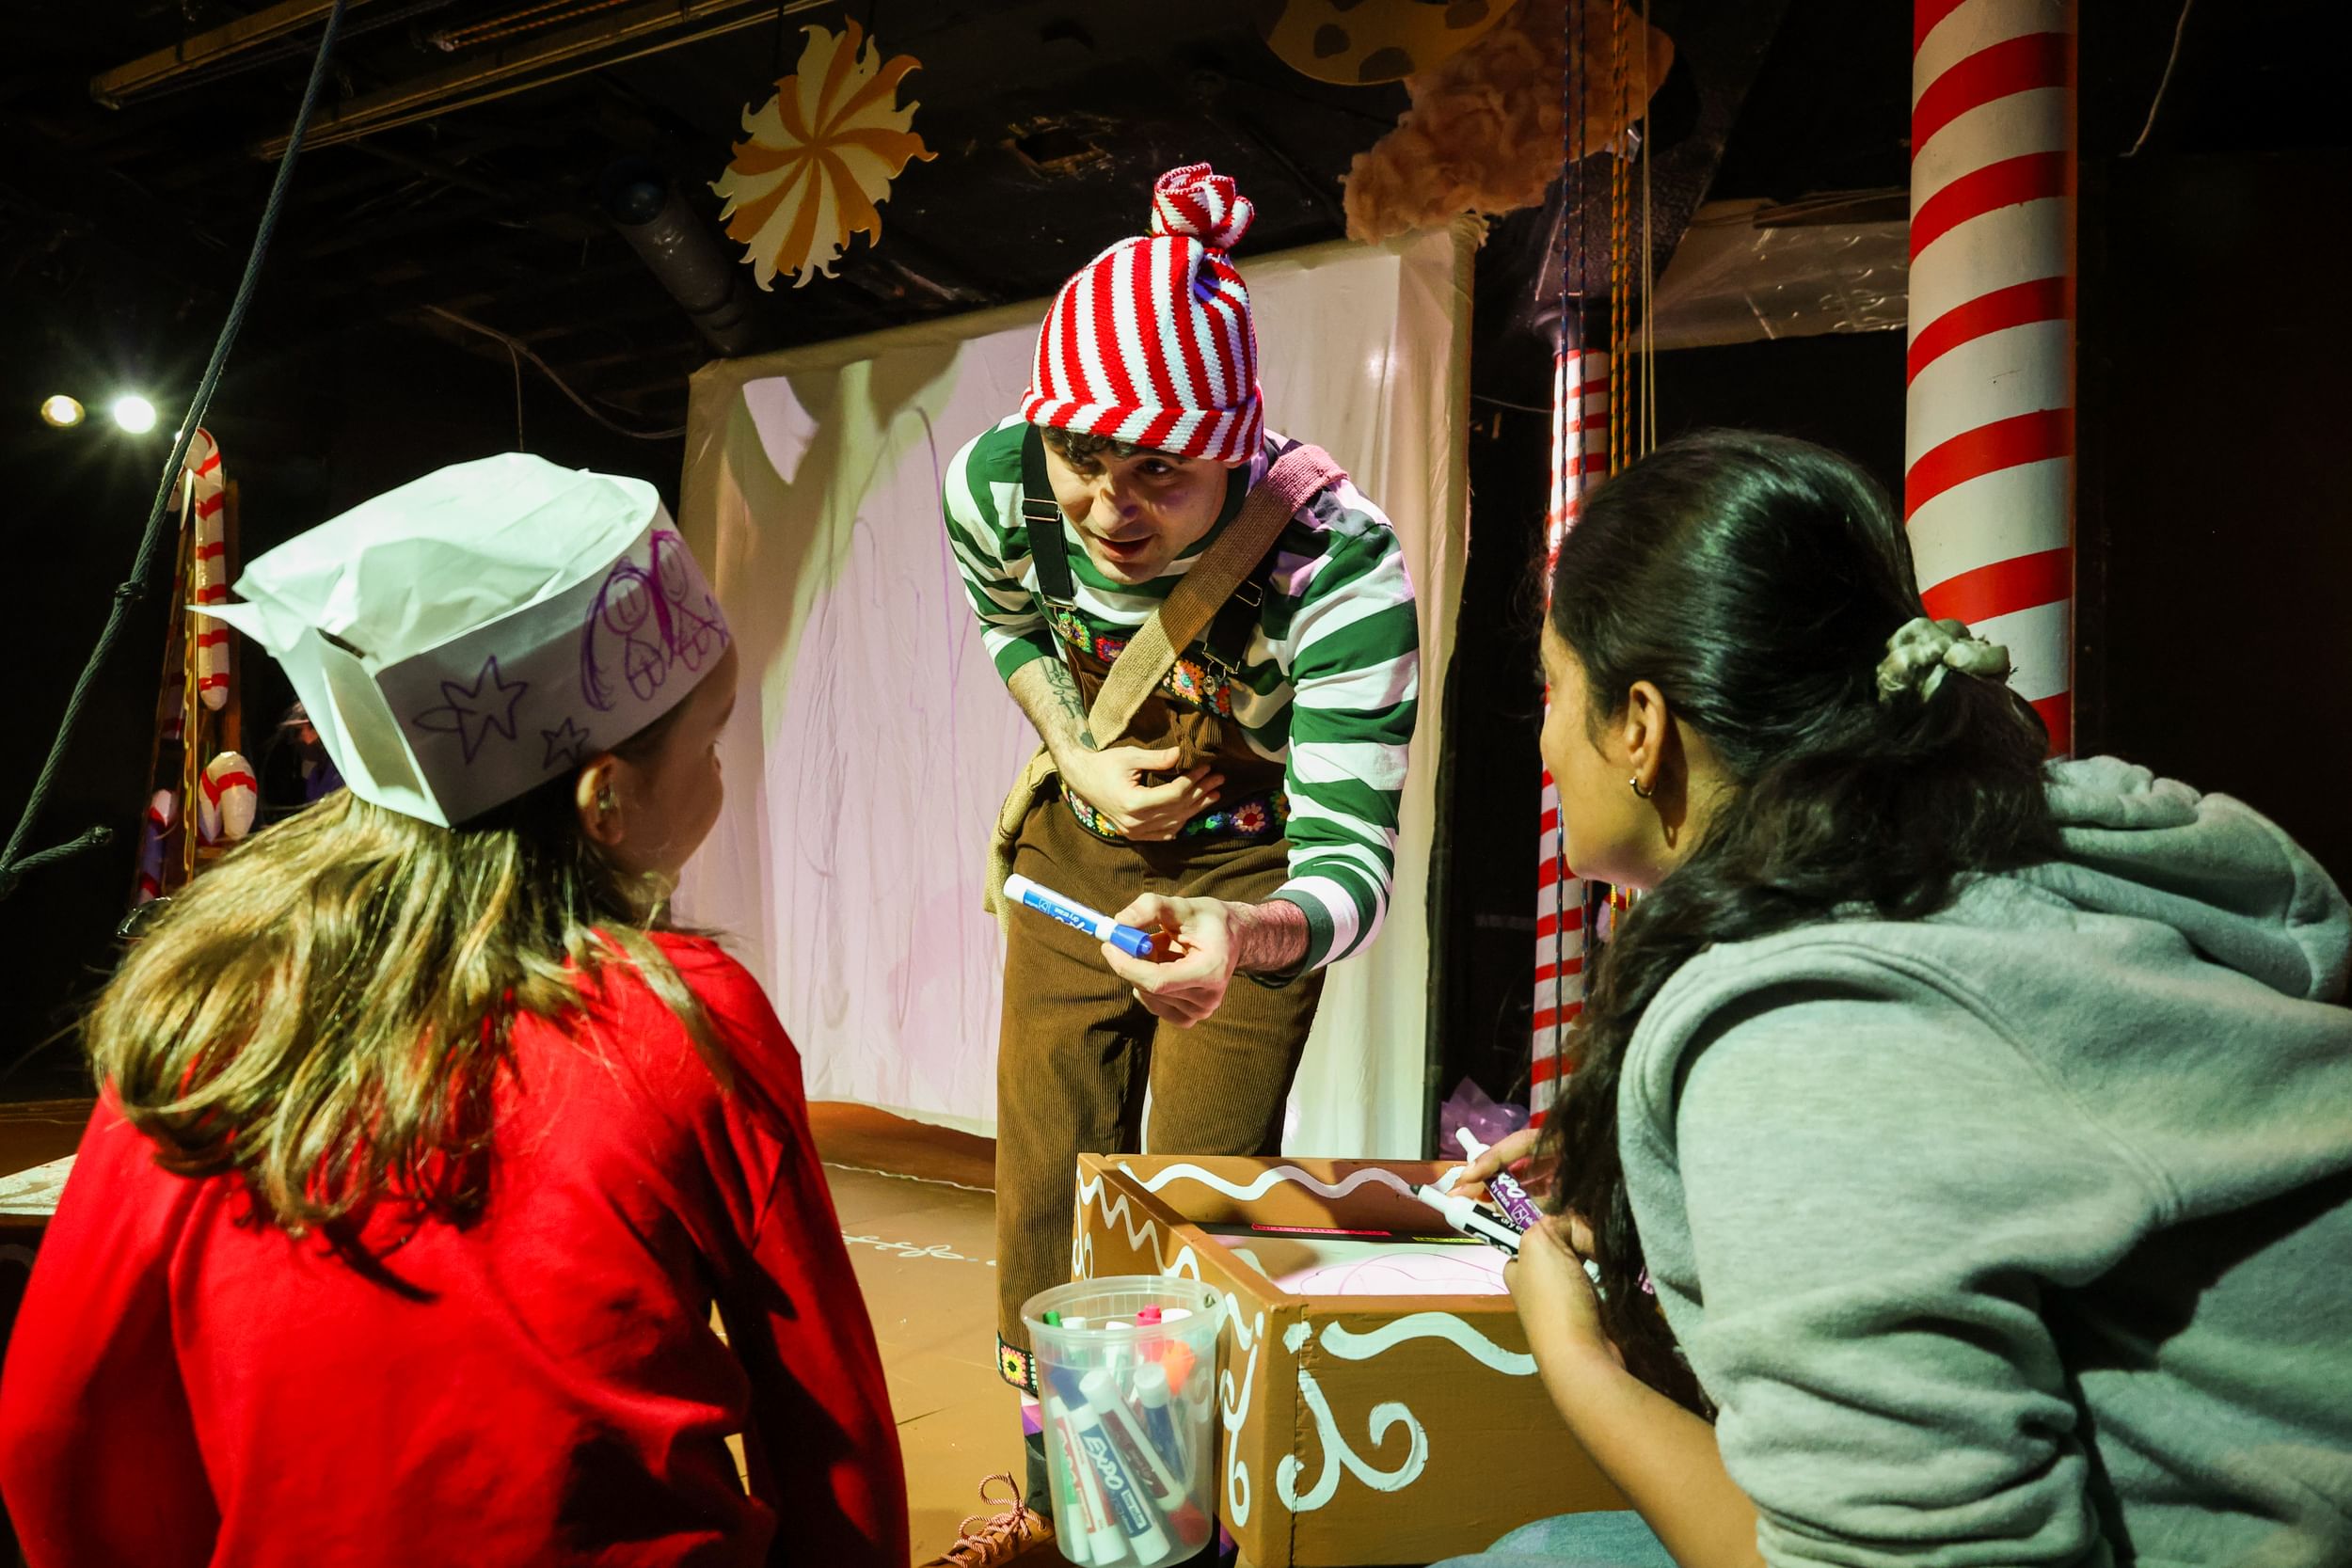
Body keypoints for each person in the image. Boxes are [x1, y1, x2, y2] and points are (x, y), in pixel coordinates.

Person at [1442, 430, 2352, 1568]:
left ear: (1639, 722)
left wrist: (1584, 1368)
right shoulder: (1975, 863)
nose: (1539, 735)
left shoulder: (1803, 1033)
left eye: (1550, 687)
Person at [0, 455, 908, 1567]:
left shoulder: (210, 994)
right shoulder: (681, 1020)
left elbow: (60, 1421)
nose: (723, 773)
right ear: (606, 799)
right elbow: (828, 1426)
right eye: (711, 741)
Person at [939, 163, 1419, 1511]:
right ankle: (1053, 1502)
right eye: (1081, 456)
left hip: (1247, 871)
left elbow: (1351, 863)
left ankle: (1165, 1509)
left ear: (1236, 444)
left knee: (1187, 1203)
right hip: (1076, 858)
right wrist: (1078, 751)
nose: (1107, 505)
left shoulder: (1340, 564)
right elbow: (1010, 623)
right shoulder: (997, 483)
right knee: (1046, 1180)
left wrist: (1247, 932)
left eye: (1159, 467)